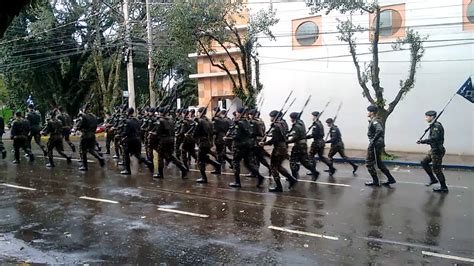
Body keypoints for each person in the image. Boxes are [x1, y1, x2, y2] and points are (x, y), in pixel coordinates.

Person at [227, 107, 265, 188]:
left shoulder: (239, 123)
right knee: (247, 163)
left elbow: (236, 135)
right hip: (248, 145)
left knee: (236, 162)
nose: (236, 114)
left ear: (239, 113)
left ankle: (237, 182)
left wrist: (230, 137)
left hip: (239, 145)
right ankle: (259, 176)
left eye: (237, 112)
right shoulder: (247, 122)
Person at [260, 110, 297, 192]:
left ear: (274, 117)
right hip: (284, 147)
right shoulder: (284, 123)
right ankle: (291, 179)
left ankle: (279, 186)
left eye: (271, 117)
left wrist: (264, 143)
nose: (270, 118)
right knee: (279, 166)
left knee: (273, 166)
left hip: (278, 149)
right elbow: (281, 134)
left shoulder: (276, 125)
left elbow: (275, 139)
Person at [150, 107, 188, 179]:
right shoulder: (171, 120)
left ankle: (160, 173)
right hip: (171, 140)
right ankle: (183, 168)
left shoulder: (160, 121)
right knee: (171, 156)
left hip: (163, 141)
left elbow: (158, 132)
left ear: (160, 113)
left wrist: (152, 133)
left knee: (160, 157)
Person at [365, 105, 396, 187]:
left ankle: (375, 181)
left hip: (375, 144)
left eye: (368, 111)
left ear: (372, 112)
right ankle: (391, 179)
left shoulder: (375, 121)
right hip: (378, 144)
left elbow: (379, 130)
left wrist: (372, 141)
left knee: (369, 163)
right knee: (379, 163)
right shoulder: (374, 120)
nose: (367, 113)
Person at [417, 110, 448, 192]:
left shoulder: (436, 126)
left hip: (437, 151)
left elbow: (434, 138)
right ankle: (433, 179)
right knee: (423, 162)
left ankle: (444, 187)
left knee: (437, 169)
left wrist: (422, 141)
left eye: (427, 117)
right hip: (433, 149)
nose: (425, 118)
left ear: (432, 117)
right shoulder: (433, 125)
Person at [189, 107, 221, 184]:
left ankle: (204, 177)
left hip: (202, 142)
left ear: (200, 112)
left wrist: (192, 135)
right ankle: (217, 165)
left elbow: (195, 132)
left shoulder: (200, 121)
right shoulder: (209, 121)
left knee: (200, 160)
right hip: (208, 142)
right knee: (204, 157)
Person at [119, 107, 153, 175]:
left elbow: (126, 132)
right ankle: (148, 163)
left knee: (126, 154)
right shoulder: (137, 120)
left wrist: (120, 135)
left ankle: (127, 170)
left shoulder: (127, 121)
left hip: (130, 140)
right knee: (137, 154)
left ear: (128, 113)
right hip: (137, 139)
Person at [288, 112, 320, 180]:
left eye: (291, 118)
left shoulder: (296, 125)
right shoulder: (301, 122)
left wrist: (287, 142)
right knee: (304, 161)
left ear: (293, 118)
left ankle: (294, 177)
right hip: (303, 144)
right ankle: (314, 172)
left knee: (293, 161)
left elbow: (295, 137)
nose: (290, 119)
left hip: (298, 145)